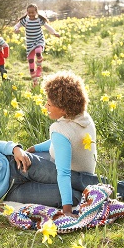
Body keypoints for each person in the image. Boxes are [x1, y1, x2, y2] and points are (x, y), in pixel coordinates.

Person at [26, 70, 97, 217]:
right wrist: (36, 148)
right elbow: (66, 141)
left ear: (63, 109)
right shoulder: (84, 118)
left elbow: (63, 173)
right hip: (88, 174)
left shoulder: (60, 130)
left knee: (28, 171)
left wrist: (67, 210)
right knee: (35, 156)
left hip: (73, 176)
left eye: (50, 104)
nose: (46, 106)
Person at [14, 3, 60, 86]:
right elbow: (17, 26)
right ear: (27, 12)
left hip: (39, 40)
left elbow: (47, 27)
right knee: (31, 64)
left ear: (36, 12)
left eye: (33, 12)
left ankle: (39, 66)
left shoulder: (39, 20)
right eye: (29, 13)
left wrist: (54, 33)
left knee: (38, 52)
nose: (31, 14)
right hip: (29, 43)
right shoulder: (25, 21)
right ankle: (35, 81)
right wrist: (16, 29)